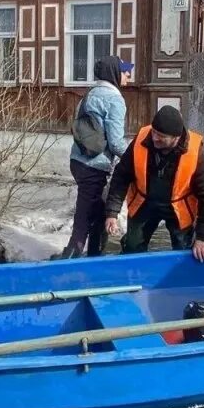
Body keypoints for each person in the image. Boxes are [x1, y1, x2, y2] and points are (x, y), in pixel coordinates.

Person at [104, 105, 204, 262]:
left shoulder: (196, 154)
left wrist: (203, 238)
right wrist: (112, 212)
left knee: (184, 251)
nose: (155, 137)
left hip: (178, 206)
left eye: (161, 136)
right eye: (154, 132)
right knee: (132, 246)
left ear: (176, 138)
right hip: (144, 202)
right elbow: (120, 176)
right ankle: (132, 277)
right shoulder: (141, 139)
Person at [63, 55, 133, 258]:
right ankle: (71, 258)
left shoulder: (89, 94)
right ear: (114, 73)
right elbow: (116, 143)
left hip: (77, 161)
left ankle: (94, 255)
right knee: (85, 217)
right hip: (95, 166)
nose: (128, 74)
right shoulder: (115, 99)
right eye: (125, 70)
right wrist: (136, 156)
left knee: (99, 210)